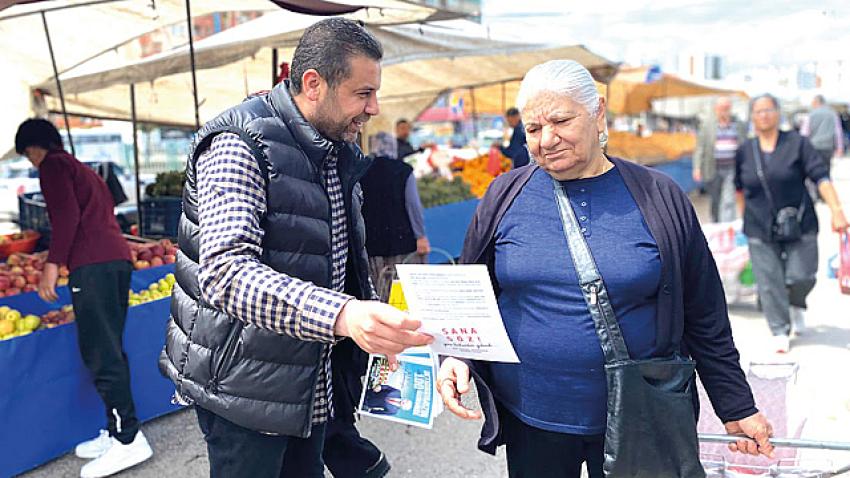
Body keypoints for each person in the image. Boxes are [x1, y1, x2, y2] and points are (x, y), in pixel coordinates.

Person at [436, 60, 774, 478]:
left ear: (598, 112)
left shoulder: (658, 196)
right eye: (534, 129)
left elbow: (704, 313)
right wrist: (457, 355)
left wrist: (736, 404)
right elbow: (474, 288)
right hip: (532, 415)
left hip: (640, 418)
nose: (547, 139)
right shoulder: (505, 194)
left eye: (561, 120)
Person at [158, 18, 433, 478]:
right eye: (363, 94)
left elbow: (332, 261)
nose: (374, 108)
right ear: (313, 84)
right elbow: (227, 275)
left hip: (308, 377)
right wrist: (344, 315)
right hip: (245, 385)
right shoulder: (238, 146)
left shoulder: (331, 147)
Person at [15, 119, 152, 478]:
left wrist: (52, 266)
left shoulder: (53, 167)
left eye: (28, 154)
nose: (30, 162)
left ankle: (128, 439)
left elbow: (65, 218)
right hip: (114, 261)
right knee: (110, 348)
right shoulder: (81, 169)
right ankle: (118, 428)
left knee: (101, 353)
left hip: (92, 266)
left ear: (34, 147)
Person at [735, 94, 848, 354]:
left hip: (799, 221)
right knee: (769, 280)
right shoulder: (745, 151)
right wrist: (742, 219)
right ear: (752, 117)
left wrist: (837, 210)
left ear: (778, 113)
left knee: (803, 275)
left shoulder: (798, 143)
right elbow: (739, 189)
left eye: (769, 110)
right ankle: (779, 329)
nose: (764, 115)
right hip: (758, 224)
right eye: (758, 111)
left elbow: (821, 177)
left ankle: (796, 302)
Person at [360, 131, 430, 300]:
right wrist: (420, 236)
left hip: (372, 242)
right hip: (402, 241)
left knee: (380, 290)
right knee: (404, 293)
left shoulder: (361, 170)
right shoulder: (403, 170)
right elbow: (413, 205)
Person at [693, 97, 748, 222]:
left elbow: (745, 145)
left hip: (732, 168)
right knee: (715, 199)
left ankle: (726, 226)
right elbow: (700, 148)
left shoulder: (738, 124)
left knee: (729, 200)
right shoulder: (707, 125)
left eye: (726, 108)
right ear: (716, 109)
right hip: (713, 168)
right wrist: (697, 167)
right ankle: (716, 223)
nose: (724, 111)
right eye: (721, 108)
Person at [800, 94, 844, 178]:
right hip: (827, 147)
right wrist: (840, 147)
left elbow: (804, 133)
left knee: (812, 170)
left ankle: (816, 188)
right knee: (826, 170)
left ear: (816, 103)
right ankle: (825, 187)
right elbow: (838, 132)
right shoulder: (832, 114)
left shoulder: (810, 115)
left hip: (813, 147)